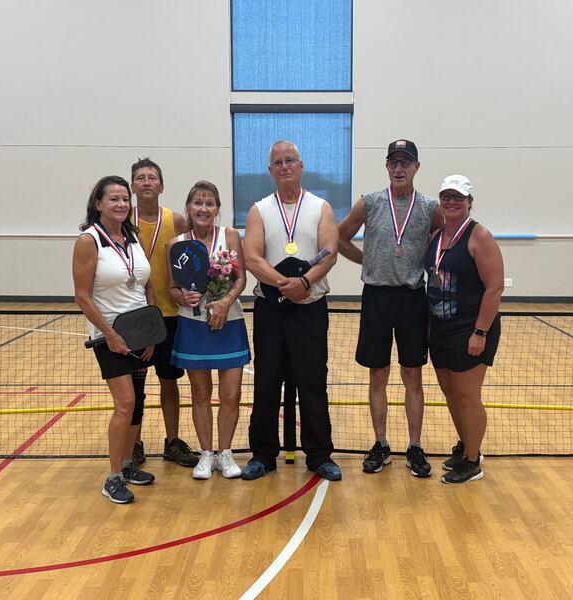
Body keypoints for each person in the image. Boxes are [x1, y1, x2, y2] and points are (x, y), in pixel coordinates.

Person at [338, 139, 443, 478]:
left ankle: (414, 446)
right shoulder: (369, 203)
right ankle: (381, 443)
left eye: (406, 162)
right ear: (387, 167)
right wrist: (366, 260)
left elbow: (445, 241)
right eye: (394, 162)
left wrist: (431, 263)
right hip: (377, 297)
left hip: (413, 299)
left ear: (416, 167)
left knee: (412, 374)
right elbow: (340, 238)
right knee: (378, 373)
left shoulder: (429, 207)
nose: (399, 168)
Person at [242, 140, 341, 482]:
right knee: (267, 382)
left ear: (301, 166)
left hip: (310, 309)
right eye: (277, 162)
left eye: (290, 160)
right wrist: (286, 284)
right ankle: (262, 454)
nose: (284, 166)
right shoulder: (259, 210)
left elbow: (330, 251)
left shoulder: (321, 207)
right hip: (271, 310)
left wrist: (306, 283)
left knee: (312, 382)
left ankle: (319, 454)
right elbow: (252, 257)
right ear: (270, 172)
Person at [72, 175, 157, 504]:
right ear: (98, 204)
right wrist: (110, 335)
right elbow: (82, 297)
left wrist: (151, 332)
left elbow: (146, 284)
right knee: (124, 404)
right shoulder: (88, 241)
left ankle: (128, 464)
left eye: (125, 199)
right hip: (110, 337)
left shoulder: (132, 236)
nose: (121, 204)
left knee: (137, 402)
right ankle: (113, 478)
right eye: (114, 199)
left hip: (140, 334)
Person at [167, 181, 250, 480]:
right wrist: (182, 297)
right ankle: (205, 454)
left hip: (230, 322)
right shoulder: (177, 242)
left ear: (217, 209)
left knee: (231, 394)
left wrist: (226, 302)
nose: (203, 208)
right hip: (193, 324)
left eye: (210, 203)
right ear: (189, 207)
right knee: (200, 393)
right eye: (198, 203)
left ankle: (225, 453)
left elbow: (241, 279)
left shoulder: (229, 236)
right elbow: (172, 287)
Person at [426, 175, 503, 484]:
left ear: (470, 202)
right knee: (451, 393)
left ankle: (473, 460)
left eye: (458, 197)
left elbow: (494, 288)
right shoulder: (436, 235)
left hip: (470, 329)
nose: (451, 201)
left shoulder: (479, 236)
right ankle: (465, 446)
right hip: (440, 328)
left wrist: (480, 332)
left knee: (468, 395)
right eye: (446, 196)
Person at [129, 158, 198, 469]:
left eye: (152, 177)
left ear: (161, 185)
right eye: (140, 178)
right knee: (135, 386)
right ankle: (134, 443)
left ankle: (172, 442)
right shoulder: (121, 219)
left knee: (169, 381)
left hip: (171, 313)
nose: (146, 182)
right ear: (133, 186)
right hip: (135, 316)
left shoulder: (177, 220)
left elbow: (193, 257)